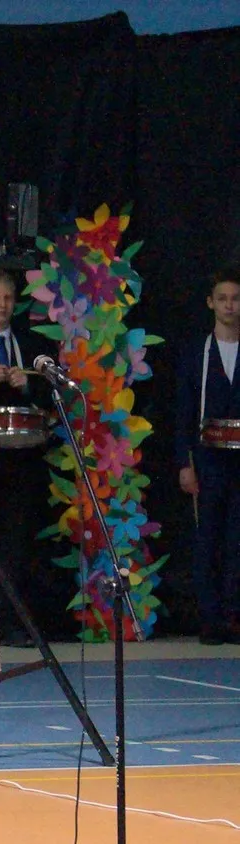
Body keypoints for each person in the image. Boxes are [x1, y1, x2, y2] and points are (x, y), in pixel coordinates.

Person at [0, 269, 63, 643]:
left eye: (7, 298)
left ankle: (14, 621)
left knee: (20, 540)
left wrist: (29, 386)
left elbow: (52, 399)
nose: (2, 305)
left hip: (24, 456)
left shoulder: (32, 344)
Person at [176, 268, 240, 644]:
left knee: (237, 540)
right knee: (208, 540)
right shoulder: (196, 353)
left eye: (235, 299)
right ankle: (210, 620)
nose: (230, 305)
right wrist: (184, 464)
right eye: (223, 299)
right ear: (211, 303)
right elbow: (183, 413)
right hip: (208, 461)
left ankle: (234, 617)